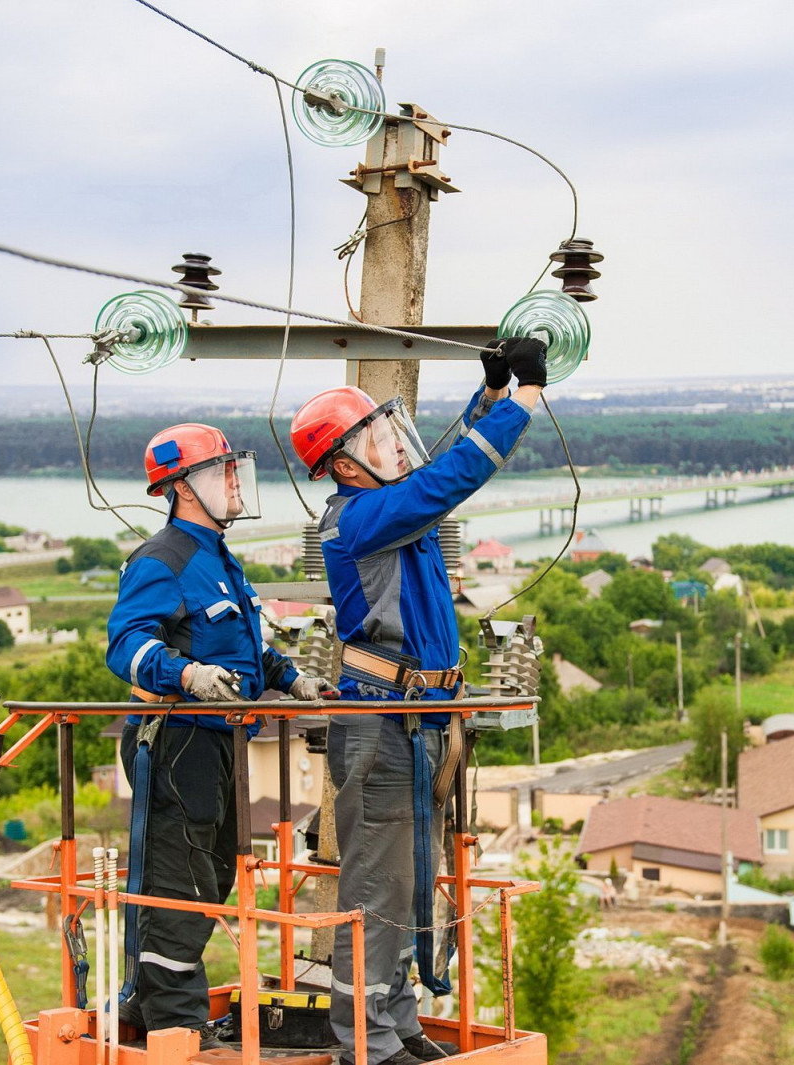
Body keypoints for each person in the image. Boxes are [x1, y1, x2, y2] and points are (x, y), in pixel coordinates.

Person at [289, 337, 548, 1065]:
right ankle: (365, 1044)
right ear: (344, 462)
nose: (392, 446)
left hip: (417, 721)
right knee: (376, 885)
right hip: (382, 722)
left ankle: (396, 1022)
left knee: (408, 881)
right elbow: (446, 481)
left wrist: (489, 397)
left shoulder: (386, 509)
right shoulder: (357, 521)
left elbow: (431, 470)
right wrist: (525, 397)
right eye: (375, 436)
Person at [106, 423, 332, 1047]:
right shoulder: (162, 560)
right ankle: (175, 1024)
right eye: (222, 472)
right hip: (176, 740)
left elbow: (248, 645)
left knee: (216, 877)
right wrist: (186, 673)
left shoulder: (218, 560)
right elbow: (125, 645)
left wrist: (294, 680)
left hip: (219, 742)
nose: (236, 482)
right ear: (183, 486)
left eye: (236, 470)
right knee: (183, 881)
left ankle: (138, 1003)